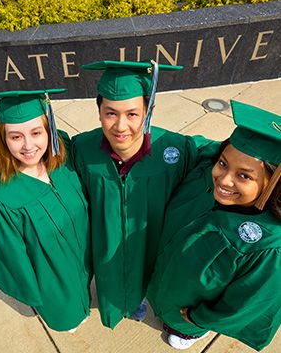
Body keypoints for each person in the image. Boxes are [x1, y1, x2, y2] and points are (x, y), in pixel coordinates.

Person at [72, 60, 218, 329]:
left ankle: (139, 300)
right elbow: (48, 157)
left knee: (145, 274)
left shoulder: (175, 148)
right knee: (112, 279)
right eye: (110, 113)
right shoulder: (82, 148)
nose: (120, 126)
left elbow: (225, 156)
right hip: (108, 246)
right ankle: (121, 304)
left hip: (150, 240)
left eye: (132, 114)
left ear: (148, 110)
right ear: (99, 111)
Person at [147, 100, 281, 351]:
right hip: (164, 274)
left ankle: (187, 332)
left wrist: (199, 319)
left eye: (244, 176)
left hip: (188, 309)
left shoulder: (270, 247)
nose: (224, 179)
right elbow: (197, 146)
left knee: (179, 324)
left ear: (273, 183)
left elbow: (248, 303)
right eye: (223, 163)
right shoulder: (207, 171)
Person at [0, 89, 91, 332]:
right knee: (67, 317)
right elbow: (11, 256)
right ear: (4, 140)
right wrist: (35, 293)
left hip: (82, 258)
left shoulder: (62, 155)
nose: (28, 146)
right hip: (52, 279)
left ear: (50, 131)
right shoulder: (1, 198)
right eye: (15, 137)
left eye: (36, 132)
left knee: (83, 287)